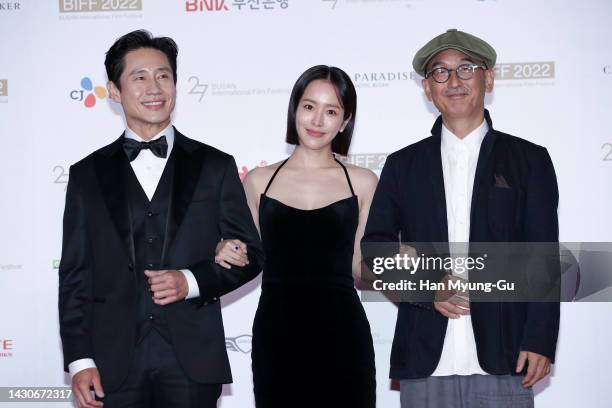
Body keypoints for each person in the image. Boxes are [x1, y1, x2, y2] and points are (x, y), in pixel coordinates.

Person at [58, 29, 263, 408]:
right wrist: (80, 360)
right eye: (139, 77)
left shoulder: (215, 166)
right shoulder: (86, 174)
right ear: (115, 92)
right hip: (113, 359)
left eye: (163, 75)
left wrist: (191, 281)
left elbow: (249, 255)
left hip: (191, 357)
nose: (155, 87)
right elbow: (74, 273)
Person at [362, 29, 560, 407]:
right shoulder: (403, 165)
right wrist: (427, 286)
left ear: (488, 78)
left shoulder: (529, 160)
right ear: (427, 88)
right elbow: (375, 250)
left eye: (466, 68)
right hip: (425, 356)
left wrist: (539, 340)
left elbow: (543, 257)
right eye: (440, 72)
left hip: (506, 356)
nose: (453, 81)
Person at [215, 65, 377, 407]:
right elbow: (244, 258)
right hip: (278, 332)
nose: (317, 121)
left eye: (331, 111)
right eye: (309, 106)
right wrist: (222, 249)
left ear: (345, 121)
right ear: (294, 109)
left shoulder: (362, 182)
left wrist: (394, 266)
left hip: (343, 333)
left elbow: (361, 269)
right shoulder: (259, 181)